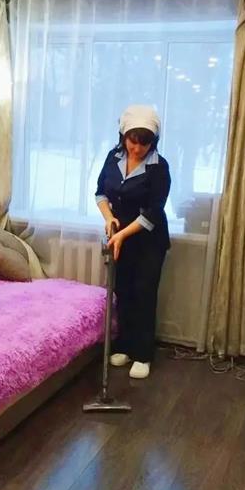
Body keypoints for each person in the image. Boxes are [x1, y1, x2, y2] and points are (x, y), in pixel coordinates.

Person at [95, 104, 171, 379]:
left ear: (153, 142)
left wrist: (122, 234)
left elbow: (153, 212)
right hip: (119, 235)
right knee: (123, 291)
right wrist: (109, 219)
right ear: (123, 136)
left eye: (144, 143)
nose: (137, 148)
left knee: (143, 293)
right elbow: (101, 193)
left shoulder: (159, 167)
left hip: (149, 240)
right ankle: (125, 346)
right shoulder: (112, 157)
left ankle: (142, 354)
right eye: (132, 141)